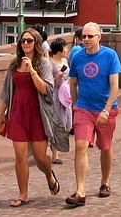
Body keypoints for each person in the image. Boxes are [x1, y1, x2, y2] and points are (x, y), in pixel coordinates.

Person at [0, 28, 62, 208]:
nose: (26, 43)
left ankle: (49, 175)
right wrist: (1, 113)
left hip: (38, 115)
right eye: (23, 41)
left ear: (36, 43)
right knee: (20, 156)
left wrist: (32, 70)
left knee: (40, 157)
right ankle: (23, 193)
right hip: (18, 113)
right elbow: (7, 92)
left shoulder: (44, 64)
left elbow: (47, 90)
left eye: (29, 41)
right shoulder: (14, 65)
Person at [65, 22, 121, 207]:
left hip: (106, 109)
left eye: (90, 36)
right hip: (84, 109)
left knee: (105, 147)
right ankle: (80, 191)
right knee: (80, 146)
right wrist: (75, 107)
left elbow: (114, 85)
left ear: (99, 37)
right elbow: (73, 83)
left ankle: (105, 182)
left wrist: (106, 110)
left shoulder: (110, 55)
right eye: (84, 37)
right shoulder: (77, 57)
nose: (86, 40)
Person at [47, 37, 71, 165]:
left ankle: (61, 146)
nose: (67, 49)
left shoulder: (65, 61)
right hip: (56, 96)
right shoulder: (50, 64)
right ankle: (54, 154)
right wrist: (57, 77)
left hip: (66, 95)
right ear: (59, 49)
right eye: (65, 47)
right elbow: (48, 83)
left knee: (66, 123)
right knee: (56, 124)